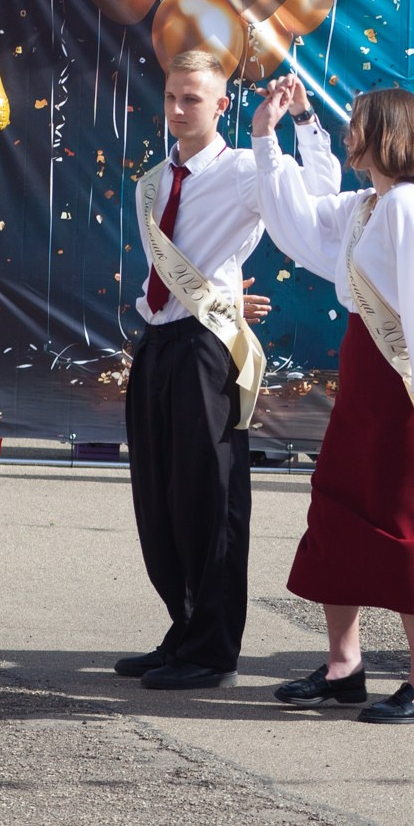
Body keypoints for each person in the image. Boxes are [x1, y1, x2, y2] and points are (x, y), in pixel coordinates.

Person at [250, 78, 414, 725]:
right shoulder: (364, 206)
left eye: (357, 123)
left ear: (384, 132)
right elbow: (296, 220)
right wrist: (268, 137)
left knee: (403, 520)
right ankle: (343, 665)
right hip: (363, 370)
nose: (349, 133)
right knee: (338, 506)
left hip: (402, 384)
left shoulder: (408, 204)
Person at [112, 50, 338, 692]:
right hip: (156, 341)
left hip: (208, 346)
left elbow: (314, 199)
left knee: (209, 494)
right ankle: (181, 627)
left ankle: (213, 645)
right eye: (172, 98)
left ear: (221, 105)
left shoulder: (244, 168)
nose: (180, 109)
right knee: (156, 494)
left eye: (193, 99)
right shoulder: (152, 181)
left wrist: (303, 121)